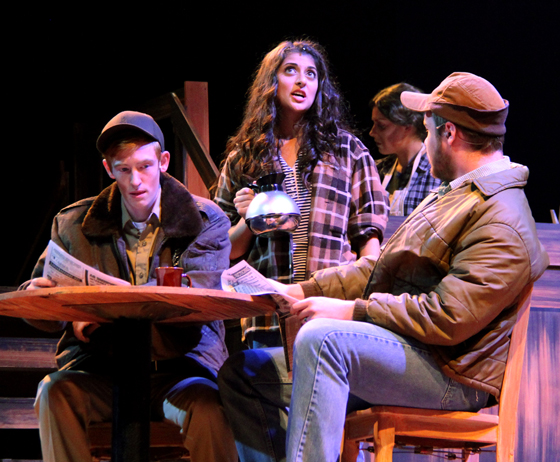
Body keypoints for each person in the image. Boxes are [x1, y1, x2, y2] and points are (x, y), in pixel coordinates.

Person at [217, 72, 550, 462]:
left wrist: (352, 311)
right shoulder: (455, 195)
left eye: (426, 131)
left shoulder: (502, 217)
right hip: (418, 353)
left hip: (452, 375)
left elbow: (449, 316)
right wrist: (303, 290)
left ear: (450, 135)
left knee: (324, 339)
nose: (423, 144)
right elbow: (379, 267)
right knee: (243, 374)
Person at [22, 111, 238, 462]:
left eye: (144, 166)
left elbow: (196, 300)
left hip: (179, 371)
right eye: (124, 169)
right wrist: (45, 295)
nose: (136, 180)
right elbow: (43, 295)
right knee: (54, 394)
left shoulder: (204, 219)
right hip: (103, 370)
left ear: (163, 162)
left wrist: (98, 318)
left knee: (210, 408)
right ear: (109, 169)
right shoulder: (74, 222)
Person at [214, 39, 389, 349]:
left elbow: (370, 248)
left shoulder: (347, 151)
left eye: (311, 74)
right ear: (271, 82)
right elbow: (223, 251)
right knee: (262, 389)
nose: (301, 81)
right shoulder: (245, 158)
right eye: (290, 70)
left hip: (331, 309)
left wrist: (362, 305)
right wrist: (248, 219)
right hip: (267, 314)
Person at [369, 82, 441, 215]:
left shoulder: (438, 174)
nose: (372, 132)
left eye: (381, 126)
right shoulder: (376, 171)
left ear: (408, 126)